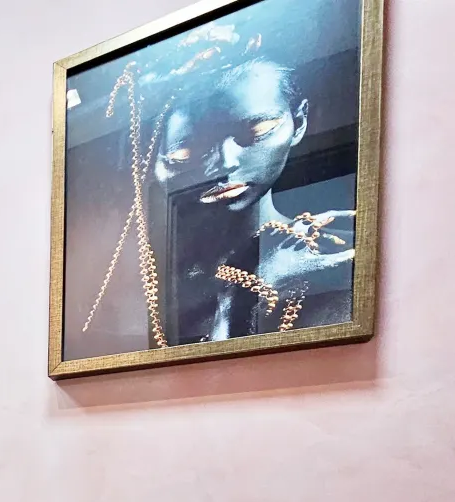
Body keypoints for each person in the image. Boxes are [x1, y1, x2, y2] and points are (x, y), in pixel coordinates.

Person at [83, 26, 355, 348]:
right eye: (184, 154)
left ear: (299, 122)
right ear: (152, 163)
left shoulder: (328, 259)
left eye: (258, 131)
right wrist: (234, 301)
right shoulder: (123, 285)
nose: (226, 162)